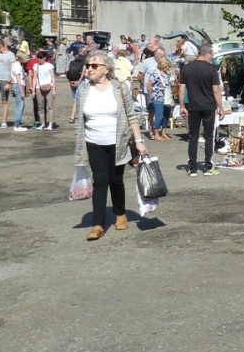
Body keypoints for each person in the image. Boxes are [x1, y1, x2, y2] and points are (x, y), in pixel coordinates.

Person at [73, 50, 148, 240]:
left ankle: (120, 214)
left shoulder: (120, 88)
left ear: (106, 69)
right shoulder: (83, 90)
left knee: (116, 180)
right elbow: (79, 119)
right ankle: (97, 224)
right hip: (93, 142)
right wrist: (78, 141)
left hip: (118, 142)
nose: (89, 69)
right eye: (88, 66)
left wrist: (139, 141)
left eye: (94, 66)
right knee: (100, 181)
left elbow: (132, 116)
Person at [179, 43, 225, 176]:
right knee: (209, 136)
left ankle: (192, 168)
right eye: (211, 56)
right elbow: (216, 90)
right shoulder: (211, 69)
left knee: (193, 137)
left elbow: (181, 89)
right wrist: (221, 107)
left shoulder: (187, 68)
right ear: (207, 54)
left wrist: (182, 106)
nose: (212, 58)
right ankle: (208, 167)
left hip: (193, 106)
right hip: (209, 106)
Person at [146, 57, 174, 140]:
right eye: (166, 66)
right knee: (158, 115)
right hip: (158, 97)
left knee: (166, 115)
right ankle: (156, 134)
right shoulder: (155, 74)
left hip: (167, 98)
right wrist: (151, 95)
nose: (167, 68)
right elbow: (149, 85)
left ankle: (164, 132)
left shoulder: (166, 74)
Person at [29, 50, 57, 130]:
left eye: (41, 58)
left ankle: (50, 123)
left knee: (50, 106)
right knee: (40, 107)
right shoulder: (36, 66)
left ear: (45, 58)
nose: (39, 59)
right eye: (38, 58)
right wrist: (33, 90)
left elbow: (53, 78)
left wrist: (54, 89)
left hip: (49, 86)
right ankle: (42, 123)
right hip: (39, 87)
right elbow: (34, 78)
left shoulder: (49, 66)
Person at [10, 52, 27, 131]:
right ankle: (17, 125)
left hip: (16, 85)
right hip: (18, 85)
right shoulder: (17, 66)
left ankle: (18, 124)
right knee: (19, 106)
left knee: (21, 105)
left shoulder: (15, 64)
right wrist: (22, 91)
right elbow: (18, 79)